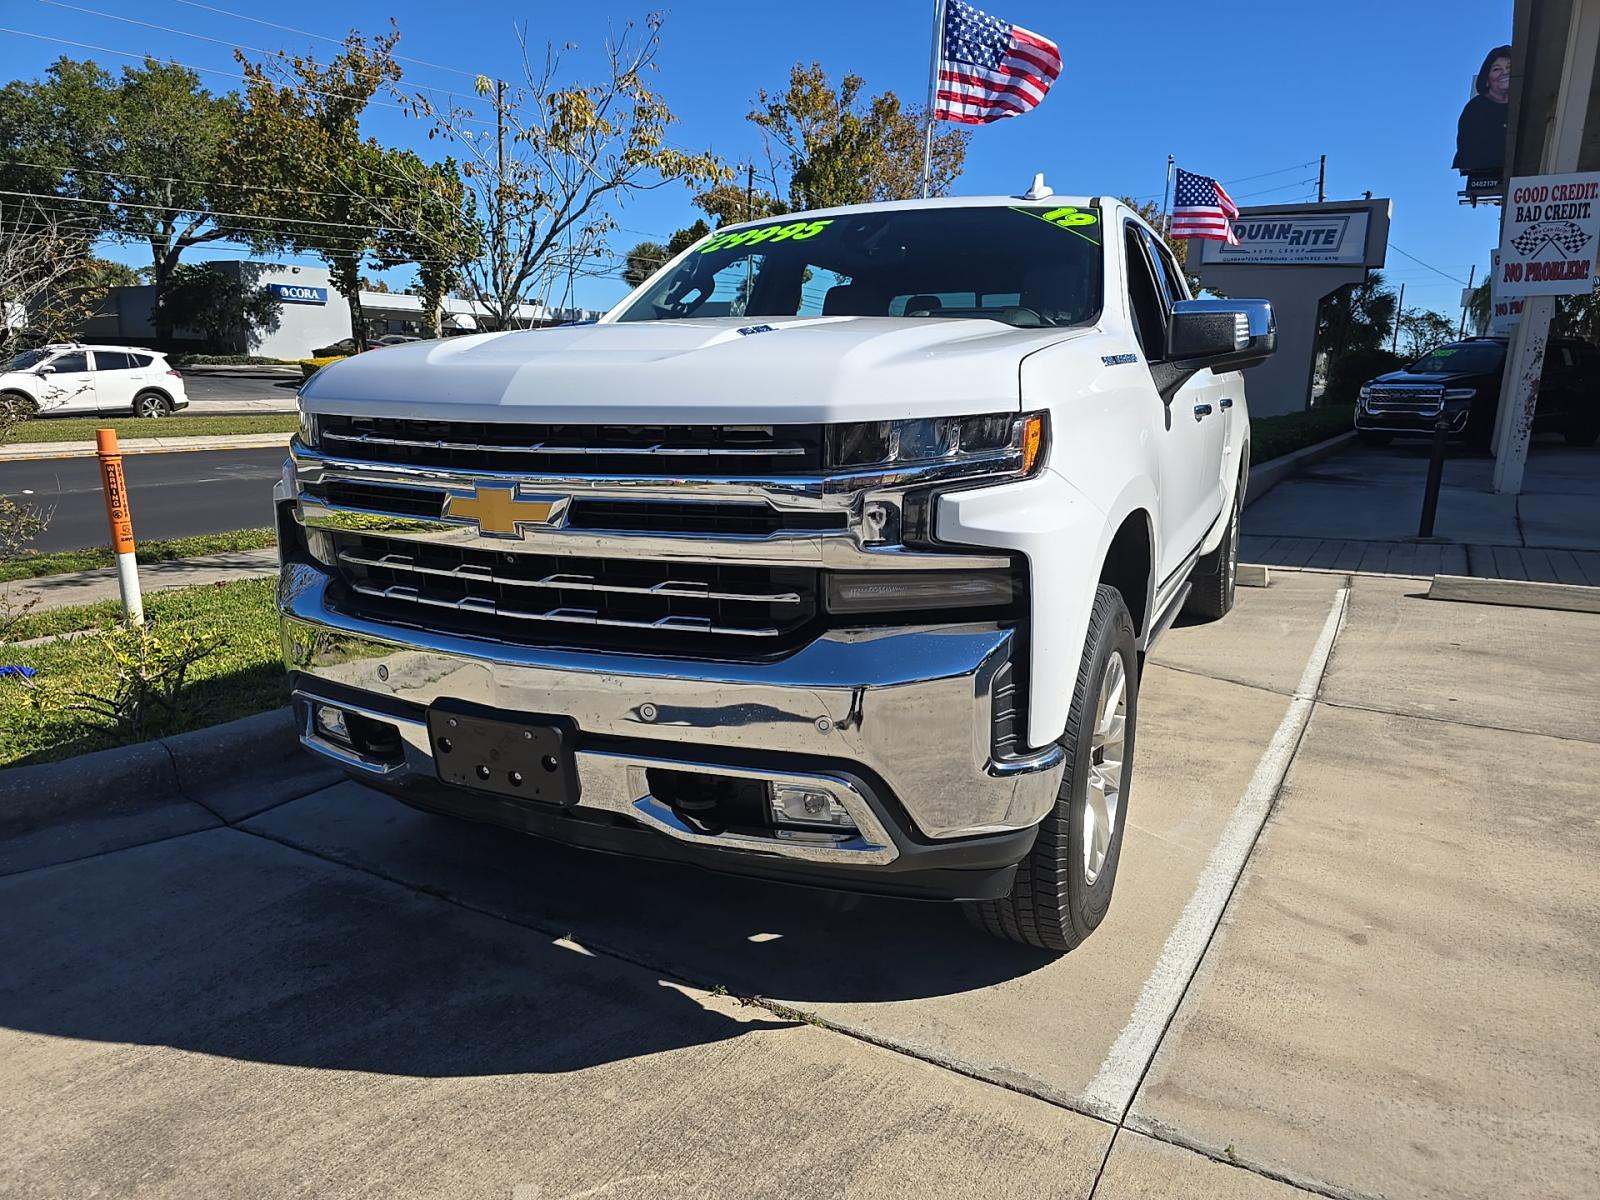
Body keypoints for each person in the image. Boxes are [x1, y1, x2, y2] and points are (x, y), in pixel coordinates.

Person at [1454, 45, 1511, 176]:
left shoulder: (1523, 102)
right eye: (1497, 69)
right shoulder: (1475, 110)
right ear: (1486, 79)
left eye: (1509, 67)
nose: (1505, 73)